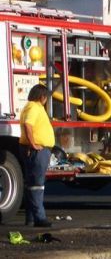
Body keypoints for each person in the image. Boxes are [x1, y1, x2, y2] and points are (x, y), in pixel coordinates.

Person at [19, 84, 54, 227]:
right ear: (42, 96)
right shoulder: (34, 107)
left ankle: (31, 218)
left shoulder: (31, 107)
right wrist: (33, 144)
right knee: (37, 185)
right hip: (37, 151)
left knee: (31, 184)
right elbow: (28, 125)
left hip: (35, 150)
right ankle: (40, 217)